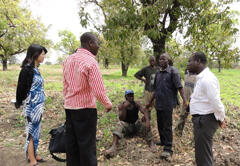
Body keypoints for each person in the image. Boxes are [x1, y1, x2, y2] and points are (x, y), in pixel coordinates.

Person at [62, 32, 112, 166]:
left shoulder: (67, 60)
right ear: (90, 43)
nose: (98, 47)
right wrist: (107, 104)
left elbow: (65, 86)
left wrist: (68, 101)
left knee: (72, 145)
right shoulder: (91, 62)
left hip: (70, 108)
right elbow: (98, 89)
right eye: (97, 43)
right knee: (87, 146)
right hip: (85, 110)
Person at [187, 52, 226, 166]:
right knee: (202, 155)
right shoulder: (201, 78)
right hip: (202, 121)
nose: (188, 64)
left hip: (205, 121)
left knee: (203, 158)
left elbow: (216, 102)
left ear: (198, 61)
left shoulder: (207, 79)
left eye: (190, 61)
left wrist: (221, 118)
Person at [146, 53, 187, 159]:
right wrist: (150, 101)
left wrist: (185, 100)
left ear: (167, 61)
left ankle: (168, 148)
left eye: (163, 59)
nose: (161, 61)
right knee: (160, 123)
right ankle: (163, 141)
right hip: (158, 102)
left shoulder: (173, 71)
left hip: (168, 103)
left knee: (167, 125)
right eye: (160, 59)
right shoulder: (158, 73)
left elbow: (179, 87)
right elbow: (155, 89)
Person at [15, 44, 47, 166]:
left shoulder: (35, 69)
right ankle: (31, 159)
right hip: (31, 106)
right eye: (42, 54)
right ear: (36, 54)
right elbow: (21, 89)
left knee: (36, 131)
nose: (44, 56)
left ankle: (35, 153)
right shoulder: (27, 70)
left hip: (38, 106)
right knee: (31, 132)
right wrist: (20, 103)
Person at [105, 90, 155, 158]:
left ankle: (151, 142)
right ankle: (114, 146)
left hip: (135, 124)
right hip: (127, 126)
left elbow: (144, 111)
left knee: (145, 123)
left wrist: (147, 122)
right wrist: (124, 108)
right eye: (129, 96)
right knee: (119, 124)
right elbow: (122, 118)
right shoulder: (122, 105)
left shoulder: (136, 103)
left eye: (132, 95)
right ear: (126, 97)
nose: (131, 97)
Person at [175, 69, 196, 136]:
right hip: (185, 100)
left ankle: (195, 137)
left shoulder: (198, 77)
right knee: (183, 115)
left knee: (195, 119)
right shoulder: (186, 74)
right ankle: (178, 132)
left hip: (194, 101)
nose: (188, 65)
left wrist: (191, 101)